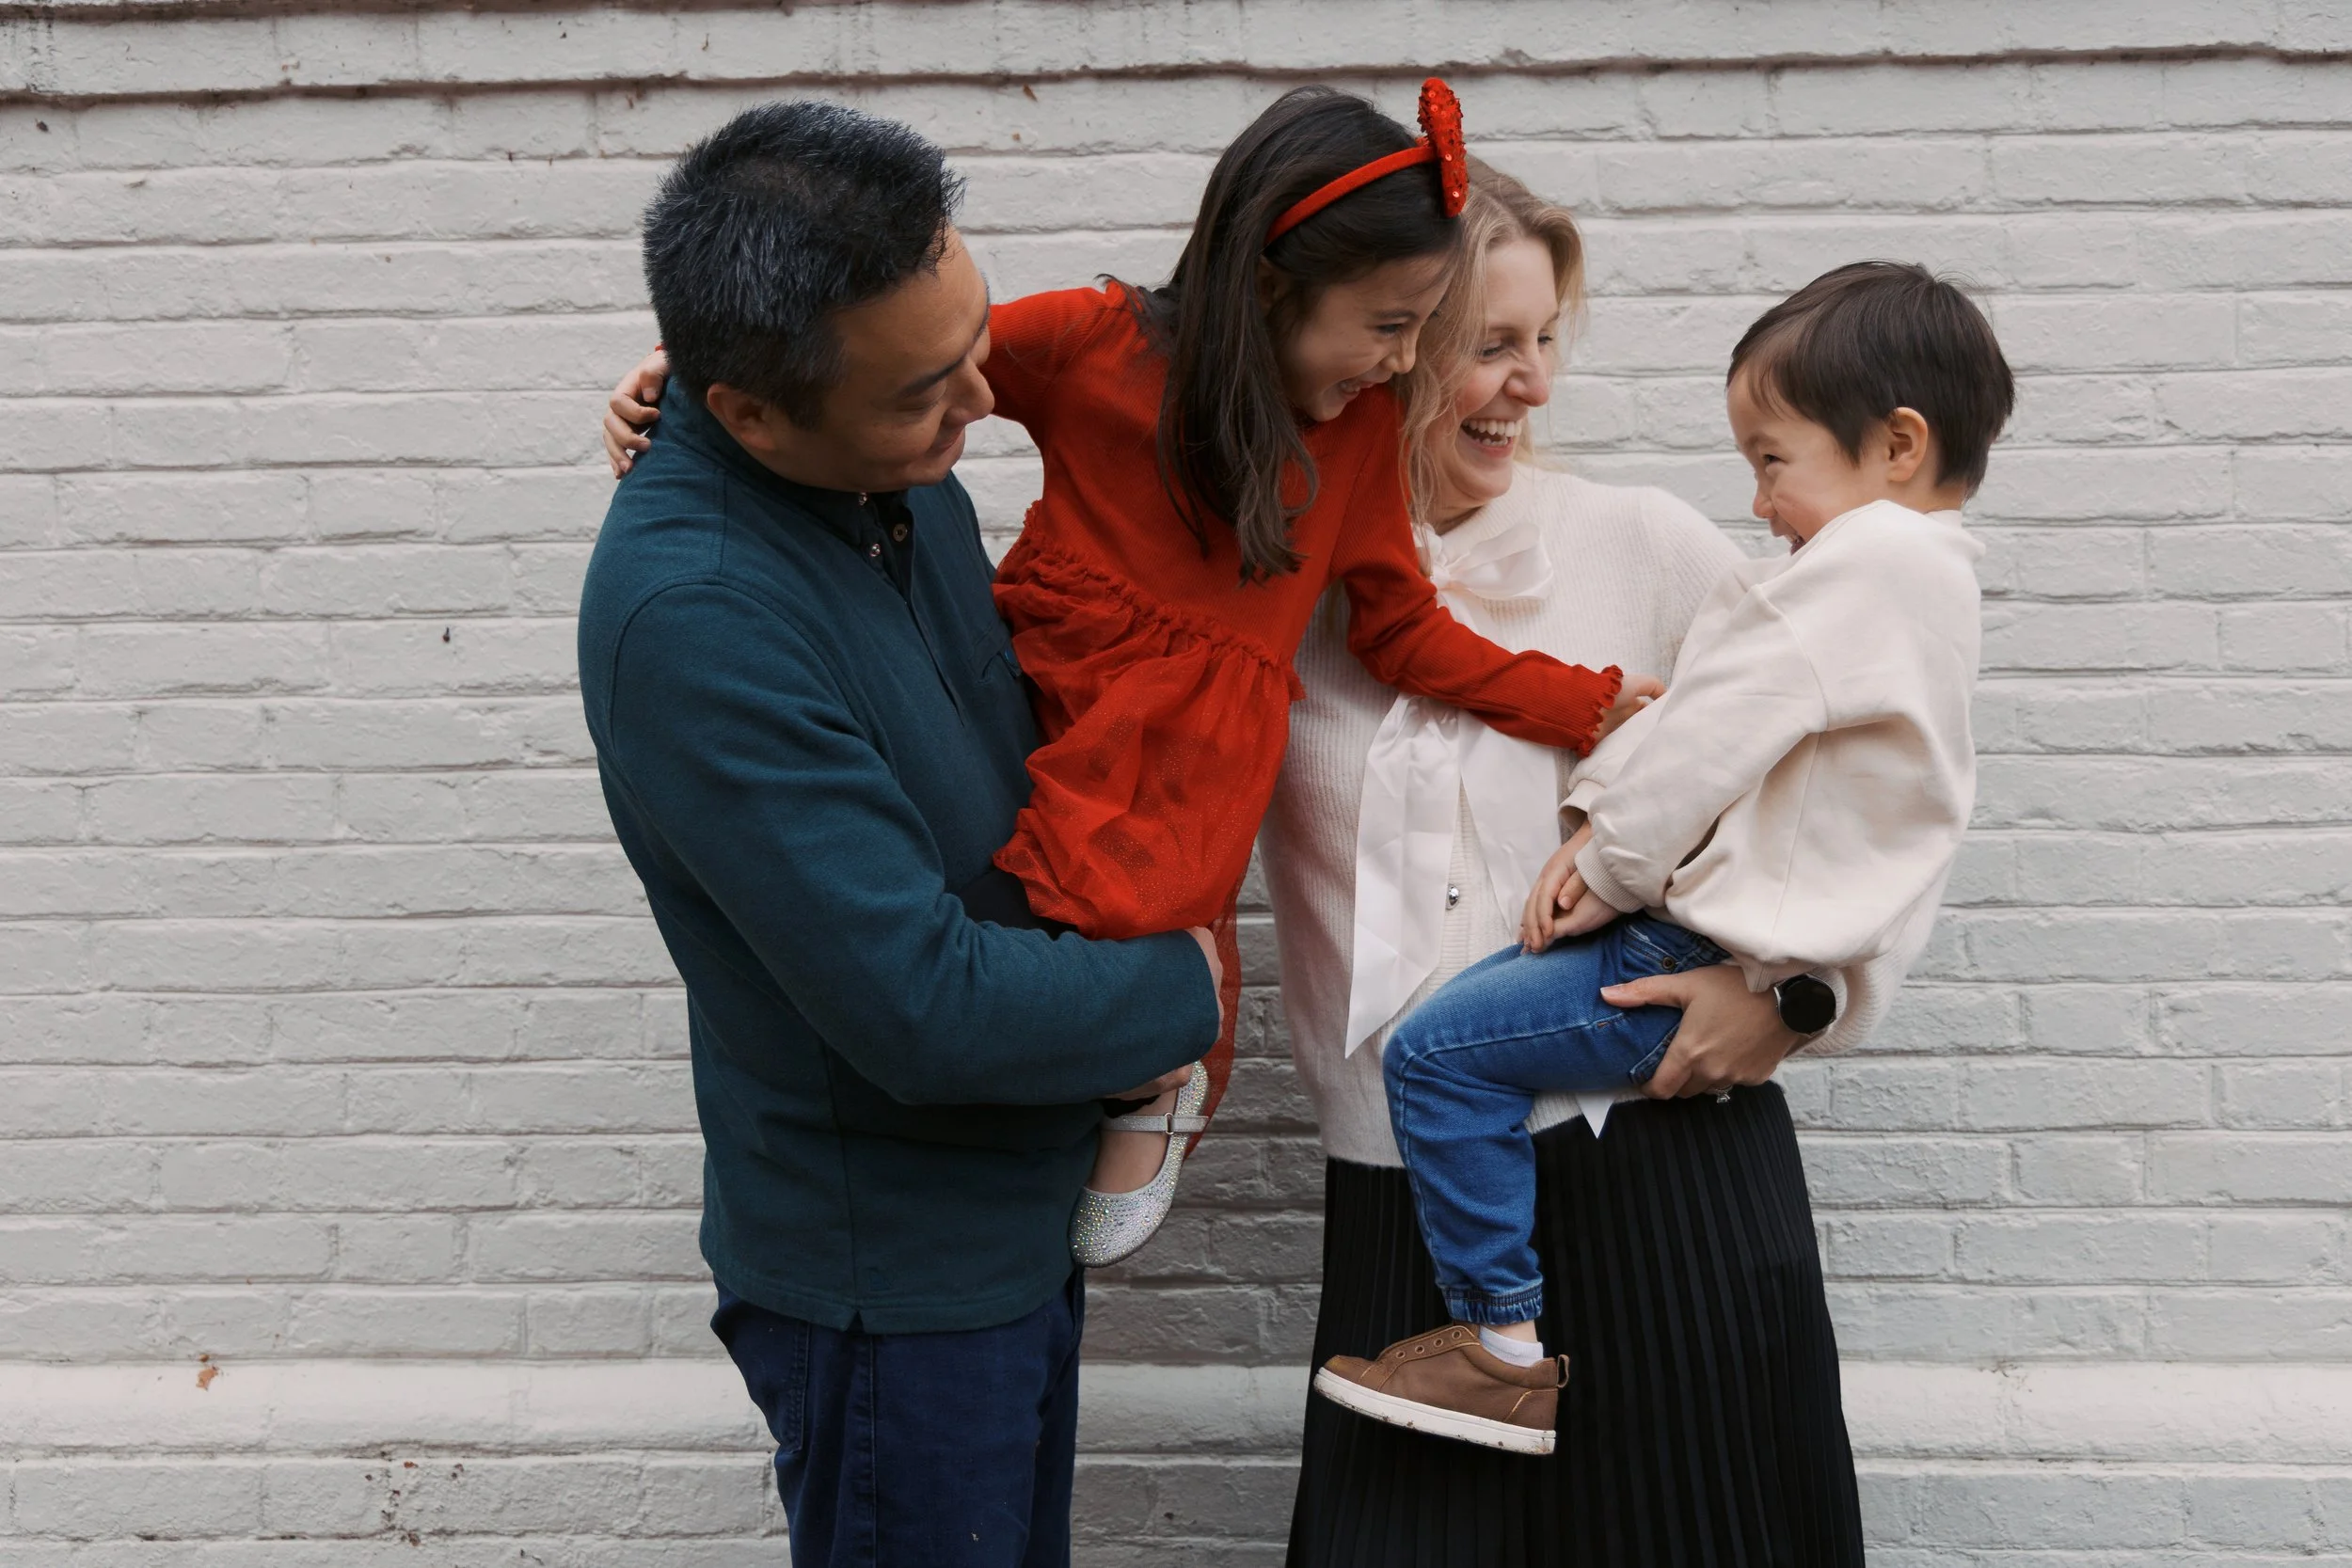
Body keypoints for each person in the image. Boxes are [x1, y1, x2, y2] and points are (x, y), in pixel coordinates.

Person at [601, 81, 1655, 1273]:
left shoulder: (1360, 435)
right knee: (1008, 895)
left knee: (1147, 891)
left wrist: (1578, 698)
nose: (1406, 359)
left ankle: (1161, 1077)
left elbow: (1402, 629)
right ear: (1271, 286)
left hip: (1193, 743)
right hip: (1050, 677)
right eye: (1388, 324)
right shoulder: (1097, 344)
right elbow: (894, 357)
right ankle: (1104, 1065)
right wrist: (690, 365)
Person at [575, 103, 1226, 1568]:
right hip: (894, 1289)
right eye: (924, 391)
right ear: (750, 412)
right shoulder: (699, 618)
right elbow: (921, 1004)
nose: (982, 402)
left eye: (974, 344)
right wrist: (1187, 983)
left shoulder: (882, 479)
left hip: (1004, 1226)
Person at [1265, 171, 1882, 1563]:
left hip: (1664, 1171)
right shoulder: (1269, 580)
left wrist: (1795, 996)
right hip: (1402, 1188)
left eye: (1545, 339)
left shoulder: (1642, 544)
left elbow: (1852, 785)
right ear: (1383, 344)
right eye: (1489, 344)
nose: (1532, 384)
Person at [1313, 260, 2013, 1455]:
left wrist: (1620, 867)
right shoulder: (1916, 589)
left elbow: (1714, 731)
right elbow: (1739, 734)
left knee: (1433, 1051)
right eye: (1490, 342)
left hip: (1664, 1059)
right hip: (1415, 1161)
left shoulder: (1841, 571)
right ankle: (1496, 1343)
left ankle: (1501, 1352)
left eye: (1771, 460)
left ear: (1898, 444)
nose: (1760, 501)